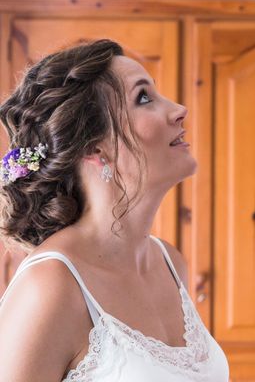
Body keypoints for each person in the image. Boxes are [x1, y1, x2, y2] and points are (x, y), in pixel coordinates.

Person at [0, 40, 228, 381]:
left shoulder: (169, 262)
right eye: (144, 98)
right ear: (96, 148)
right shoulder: (50, 286)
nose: (179, 109)